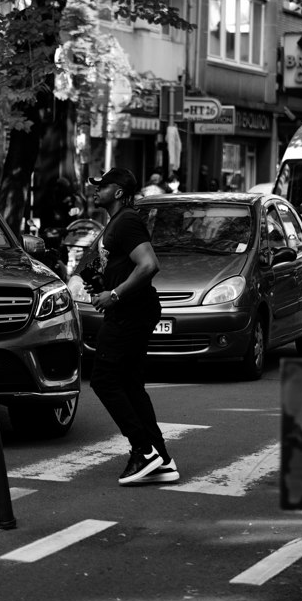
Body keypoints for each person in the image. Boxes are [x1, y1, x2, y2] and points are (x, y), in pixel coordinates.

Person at [87, 166, 178, 485]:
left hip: (130, 312)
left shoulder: (126, 220)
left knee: (103, 378)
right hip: (132, 311)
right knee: (130, 384)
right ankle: (162, 459)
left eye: (102, 186)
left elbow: (149, 264)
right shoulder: (115, 223)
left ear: (120, 192)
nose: (96, 189)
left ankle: (144, 450)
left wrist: (113, 294)